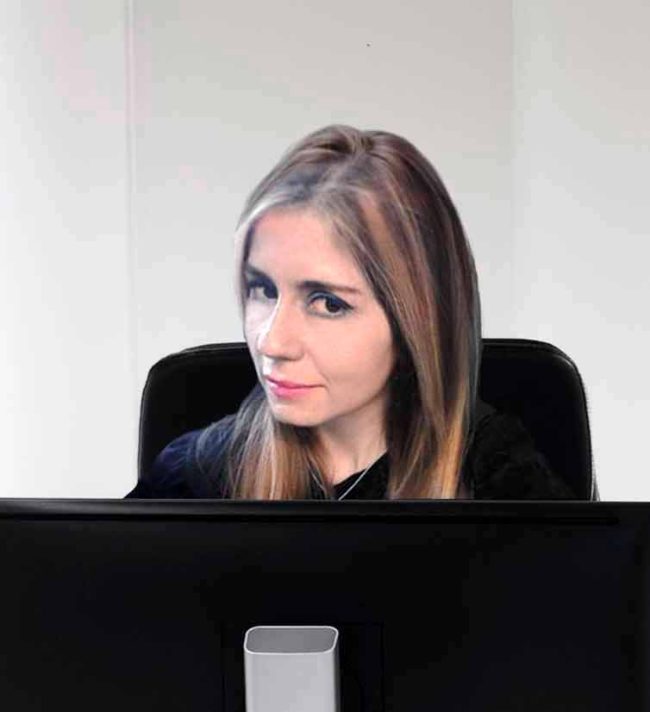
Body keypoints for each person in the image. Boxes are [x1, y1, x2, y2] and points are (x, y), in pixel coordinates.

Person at [126, 124, 575, 501]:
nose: (272, 342)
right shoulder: (197, 474)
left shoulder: (504, 483)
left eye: (328, 303)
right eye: (262, 289)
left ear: (414, 321)